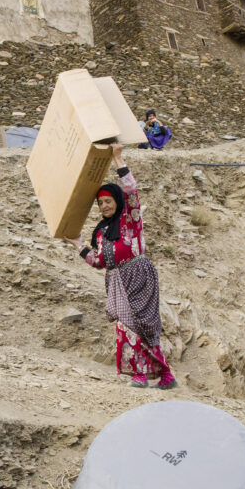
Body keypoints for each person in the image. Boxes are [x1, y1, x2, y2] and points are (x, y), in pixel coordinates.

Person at [63, 143, 177, 389]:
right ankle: (140, 374)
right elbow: (99, 262)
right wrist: (79, 246)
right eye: (100, 203)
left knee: (146, 325)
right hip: (117, 282)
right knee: (127, 325)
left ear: (117, 200)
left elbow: (132, 190)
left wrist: (118, 158)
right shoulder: (102, 232)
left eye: (108, 201)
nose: (104, 206)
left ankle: (165, 374)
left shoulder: (130, 220)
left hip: (139, 276)